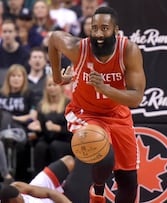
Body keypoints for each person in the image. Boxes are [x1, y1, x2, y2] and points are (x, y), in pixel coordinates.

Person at [48, 6, 146, 203]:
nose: (98, 33)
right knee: (105, 155)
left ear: (115, 30)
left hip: (117, 114)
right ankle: (98, 192)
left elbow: (136, 98)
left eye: (104, 28)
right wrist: (58, 77)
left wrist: (105, 88)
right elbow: (54, 39)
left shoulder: (128, 51)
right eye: (94, 28)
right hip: (85, 113)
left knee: (129, 183)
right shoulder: (78, 48)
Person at [28, 75, 72, 175]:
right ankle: (38, 179)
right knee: (40, 146)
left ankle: (58, 177)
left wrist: (59, 128)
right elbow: (43, 131)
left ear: (61, 87)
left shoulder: (68, 104)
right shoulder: (41, 106)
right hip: (48, 139)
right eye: (49, 85)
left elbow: (74, 129)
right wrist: (38, 130)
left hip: (65, 140)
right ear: (46, 88)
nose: (52, 88)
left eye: (55, 85)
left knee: (55, 146)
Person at [0, 155, 74, 203]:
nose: (21, 199)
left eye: (20, 196)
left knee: (69, 161)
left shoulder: (16, 188)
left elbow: (49, 192)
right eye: (18, 201)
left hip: (39, 190)